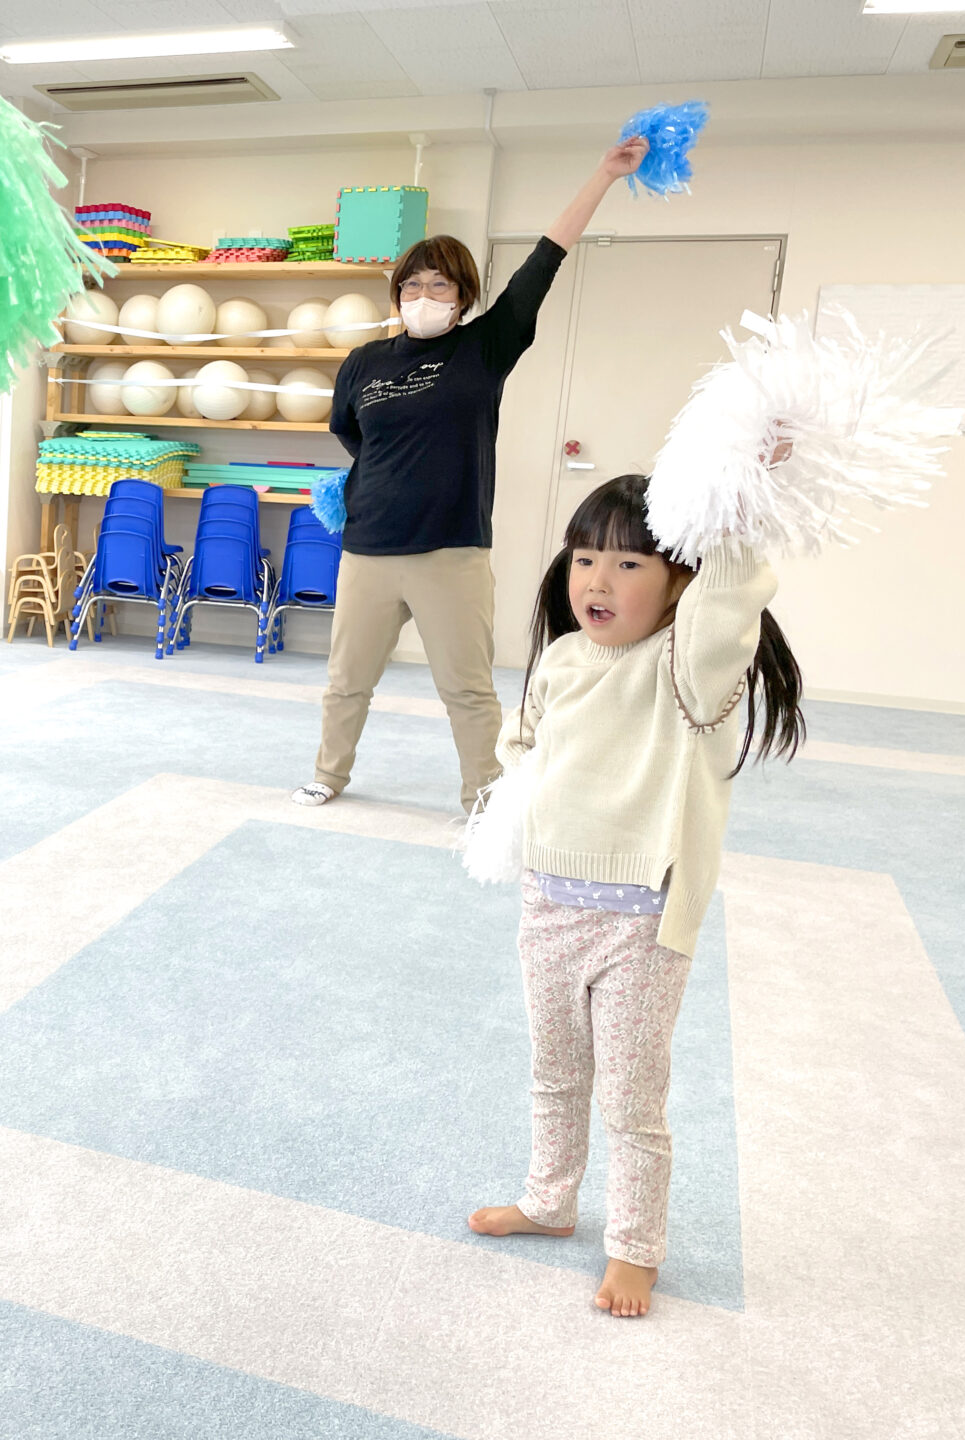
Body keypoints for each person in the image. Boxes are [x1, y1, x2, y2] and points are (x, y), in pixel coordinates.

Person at [466, 474, 805, 1317]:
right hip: (549, 903)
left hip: (642, 923)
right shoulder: (562, 657)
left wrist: (739, 494)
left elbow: (728, 603)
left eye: (627, 562)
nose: (597, 581)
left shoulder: (690, 672)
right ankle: (549, 1201)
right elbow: (524, 740)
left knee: (629, 1097)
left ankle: (636, 1249)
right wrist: (522, 794)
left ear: (679, 580)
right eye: (585, 559)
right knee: (554, 1072)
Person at [293, 136, 649, 813]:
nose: (423, 294)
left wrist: (603, 172)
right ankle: (329, 774)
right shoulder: (364, 363)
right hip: (368, 550)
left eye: (439, 284)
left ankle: (484, 797)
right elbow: (349, 434)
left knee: (466, 688)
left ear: (462, 296)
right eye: (412, 284)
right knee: (346, 681)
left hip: (451, 553)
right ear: (396, 292)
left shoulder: (485, 347)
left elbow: (545, 260)